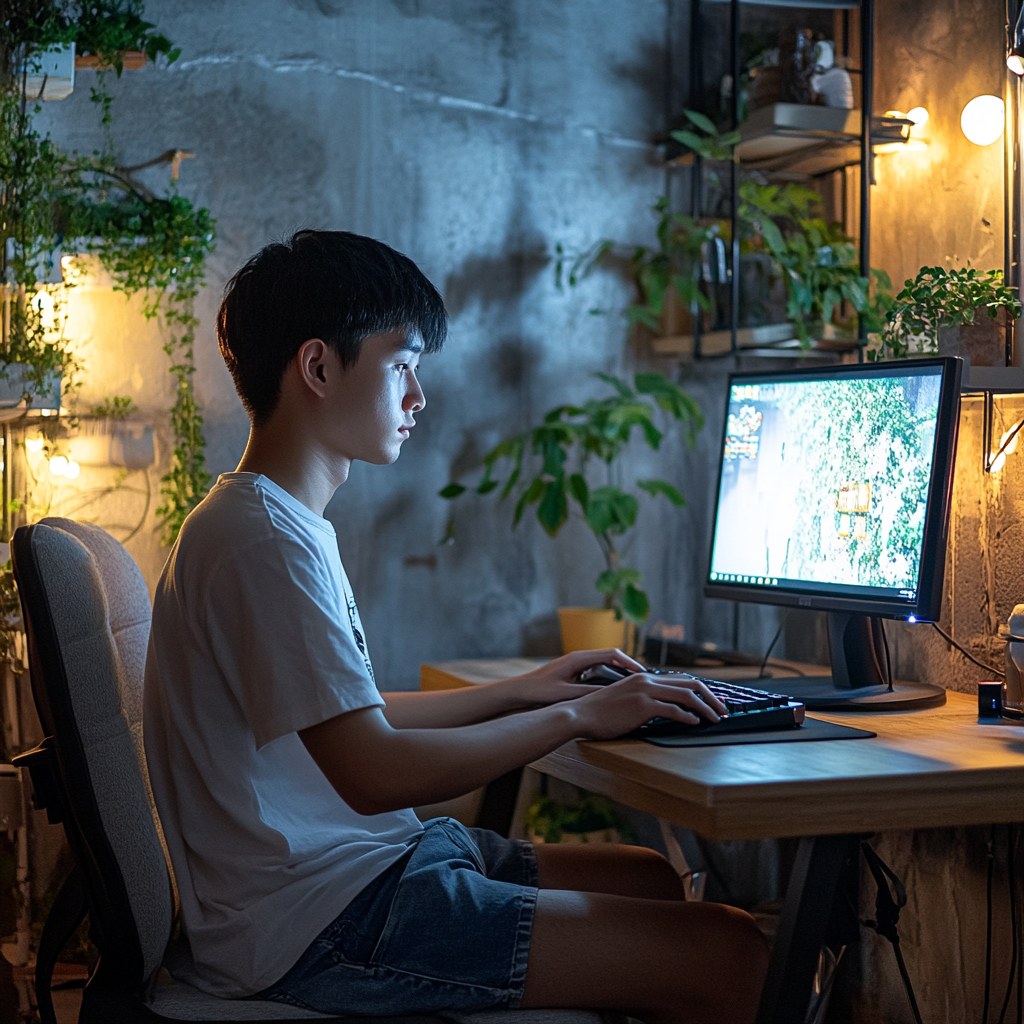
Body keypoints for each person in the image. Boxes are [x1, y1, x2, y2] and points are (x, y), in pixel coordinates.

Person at [143, 230, 769, 1024]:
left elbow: (350, 721)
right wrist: (574, 715)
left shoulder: (271, 520)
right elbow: (372, 772)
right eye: (402, 365)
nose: (418, 398)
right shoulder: (265, 541)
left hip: (353, 874)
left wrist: (525, 690)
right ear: (319, 367)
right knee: (732, 950)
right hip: (319, 922)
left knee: (645, 875)